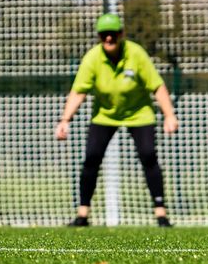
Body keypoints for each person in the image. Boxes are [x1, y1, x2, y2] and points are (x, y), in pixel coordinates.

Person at [54, 13, 179, 227]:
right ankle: (82, 214)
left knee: (149, 156)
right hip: (105, 114)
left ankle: (161, 214)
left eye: (112, 34)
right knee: (92, 157)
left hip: (139, 113)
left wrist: (169, 115)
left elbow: (157, 85)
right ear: (99, 37)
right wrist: (65, 119)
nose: (109, 39)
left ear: (121, 34)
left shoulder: (136, 54)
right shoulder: (93, 58)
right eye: (104, 35)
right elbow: (79, 91)